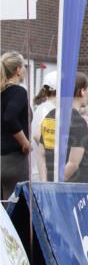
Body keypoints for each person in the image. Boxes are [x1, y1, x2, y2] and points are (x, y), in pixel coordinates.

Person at [1, 52, 30, 204]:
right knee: (16, 209)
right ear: (18, 70)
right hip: (14, 161)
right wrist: (25, 143)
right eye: (24, 66)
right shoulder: (19, 92)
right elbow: (10, 117)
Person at [31, 70, 57, 181]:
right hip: (42, 173)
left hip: (42, 171)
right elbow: (37, 135)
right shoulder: (48, 109)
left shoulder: (45, 107)